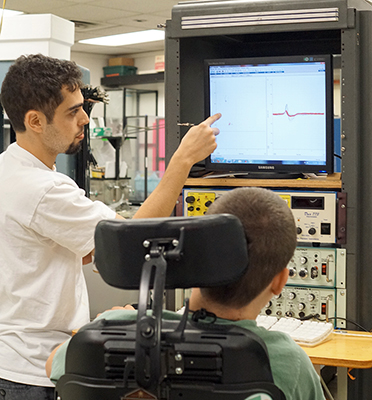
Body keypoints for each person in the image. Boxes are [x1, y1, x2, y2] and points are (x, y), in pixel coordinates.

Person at [0, 53, 220, 399]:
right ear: (35, 120)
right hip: (32, 370)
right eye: (72, 112)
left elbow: (70, 254)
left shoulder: (9, 170)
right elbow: (131, 246)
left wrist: (100, 251)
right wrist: (182, 161)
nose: (84, 119)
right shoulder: (43, 190)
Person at [46, 187, 326, 400]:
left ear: (194, 258)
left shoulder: (116, 329)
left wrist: (111, 322)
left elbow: (53, 365)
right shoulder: (287, 360)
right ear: (279, 282)